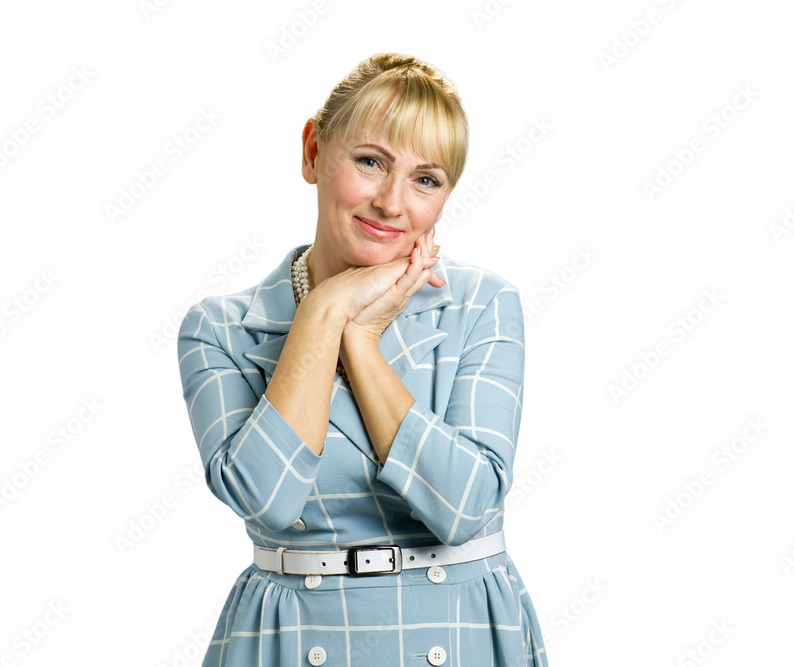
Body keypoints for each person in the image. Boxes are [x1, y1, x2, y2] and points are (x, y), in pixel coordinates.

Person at [177, 52, 547, 666]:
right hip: (291, 637)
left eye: (425, 180)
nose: (392, 203)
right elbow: (267, 500)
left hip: (460, 631)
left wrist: (362, 342)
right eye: (371, 162)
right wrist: (324, 312)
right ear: (313, 151)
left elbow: (465, 507)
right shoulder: (220, 328)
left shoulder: (481, 304)